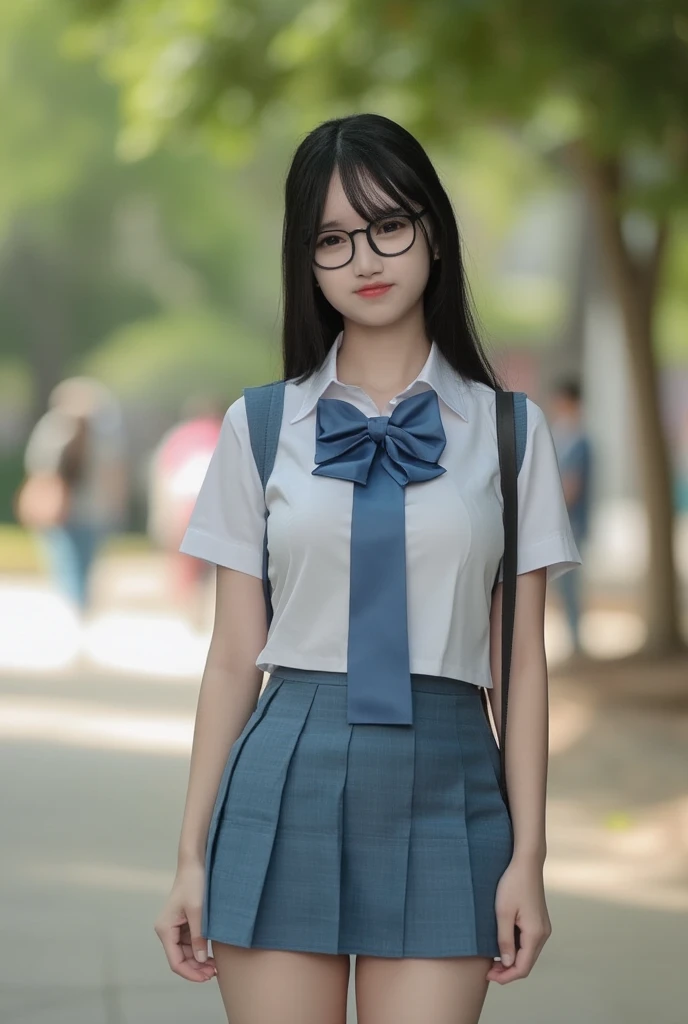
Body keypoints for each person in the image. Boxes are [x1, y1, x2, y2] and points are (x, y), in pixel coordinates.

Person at [154, 114, 581, 1024]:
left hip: (451, 780)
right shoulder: (260, 428)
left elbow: (523, 664)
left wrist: (529, 860)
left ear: (433, 231)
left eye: (388, 224)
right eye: (332, 239)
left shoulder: (512, 435)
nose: (365, 258)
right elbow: (234, 657)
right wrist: (190, 854)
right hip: (287, 769)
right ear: (305, 261)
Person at [20, 377, 128, 615]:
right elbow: (115, 473)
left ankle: (74, 609)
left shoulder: (52, 428)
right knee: (85, 566)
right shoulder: (105, 433)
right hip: (94, 509)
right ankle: (81, 608)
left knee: (66, 564)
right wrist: (117, 506)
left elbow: (38, 468)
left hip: (63, 508)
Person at [146, 396, 224, 623]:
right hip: (214, 509)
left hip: (182, 507)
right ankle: (206, 611)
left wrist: (161, 516)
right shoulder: (226, 433)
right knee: (214, 566)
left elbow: (164, 475)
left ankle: (189, 611)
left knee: (185, 565)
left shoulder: (178, 436)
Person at [548, 378, 592, 657]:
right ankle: (573, 637)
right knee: (564, 586)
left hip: (571, 522)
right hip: (564, 521)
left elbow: (571, 487)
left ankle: (576, 640)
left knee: (569, 584)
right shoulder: (562, 436)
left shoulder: (579, 441)